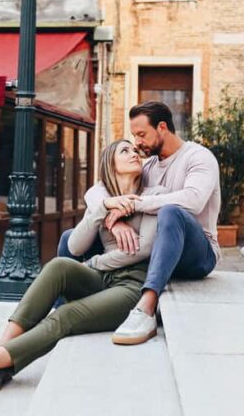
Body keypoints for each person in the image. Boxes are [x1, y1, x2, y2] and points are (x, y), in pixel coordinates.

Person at [0, 139, 164, 392]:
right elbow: (75, 247)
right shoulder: (103, 198)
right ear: (110, 164)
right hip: (102, 277)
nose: (134, 154)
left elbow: (142, 249)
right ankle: (1, 356)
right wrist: (102, 210)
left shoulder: (154, 196)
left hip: (132, 286)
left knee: (65, 314)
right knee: (58, 265)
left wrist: (95, 262)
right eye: (124, 151)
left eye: (135, 150)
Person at [58, 101, 221, 345]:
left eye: (141, 134)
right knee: (69, 237)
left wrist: (135, 204)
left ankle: (146, 309)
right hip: (156, 252)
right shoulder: (150, 166)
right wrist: (114, 220)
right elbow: (97, 191)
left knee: (170, 213)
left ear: (162, 128)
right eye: (134, 136)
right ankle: (59, 306)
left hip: (198, 254)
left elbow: (193, 200)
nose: (137, 143)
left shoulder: (198, 157)